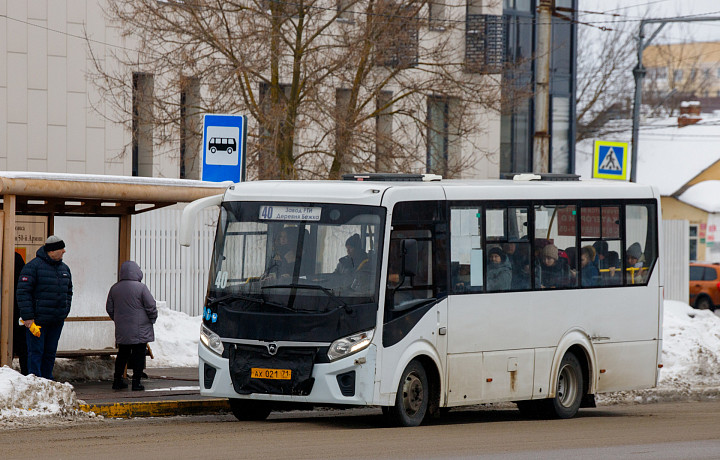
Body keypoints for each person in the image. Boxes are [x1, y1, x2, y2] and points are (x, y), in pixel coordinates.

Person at [16, 235, 73, 380]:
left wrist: (64, 311)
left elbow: (69, 291)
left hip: (56, 320)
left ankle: (48, 380)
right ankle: (36, 382)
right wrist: (28, 318)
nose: (64, 251)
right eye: (61, 248)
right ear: (52, 251)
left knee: (50, 353)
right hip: (38, 322)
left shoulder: (64, 269)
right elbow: (23, 292)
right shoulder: (32, 267)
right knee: (36, 352)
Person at [106, 260, 157, 391]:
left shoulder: (115, 288)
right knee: (139, 354)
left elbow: (109, 308)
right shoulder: (141, 288)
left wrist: (118, 320)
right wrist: (152, 319)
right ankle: (136, 382)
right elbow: (151, 306)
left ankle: (117, 381)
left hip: (123, 329)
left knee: (122, 354)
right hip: (140, 329)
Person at [11, 252, 28, 375]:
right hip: (17, 309)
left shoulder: (14, 257)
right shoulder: (15, 256)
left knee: (22, 346)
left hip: (16, 310)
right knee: (22, 346)